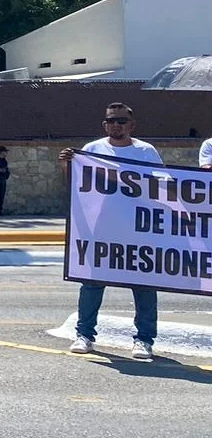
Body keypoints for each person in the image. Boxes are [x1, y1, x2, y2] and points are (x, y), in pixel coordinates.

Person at [60, 103, 161, 360]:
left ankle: (144, 340)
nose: (116, 125)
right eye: (111, 120)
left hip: (138, 228)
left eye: (122, 121)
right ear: (104, 124)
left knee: (144, 286)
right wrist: (66, 166)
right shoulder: (92, 149)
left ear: (132, 125)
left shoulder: (146, 151)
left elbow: (163, 185)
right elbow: (77, 185)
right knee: (92, 284)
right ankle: (84, 335)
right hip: (101, 229)